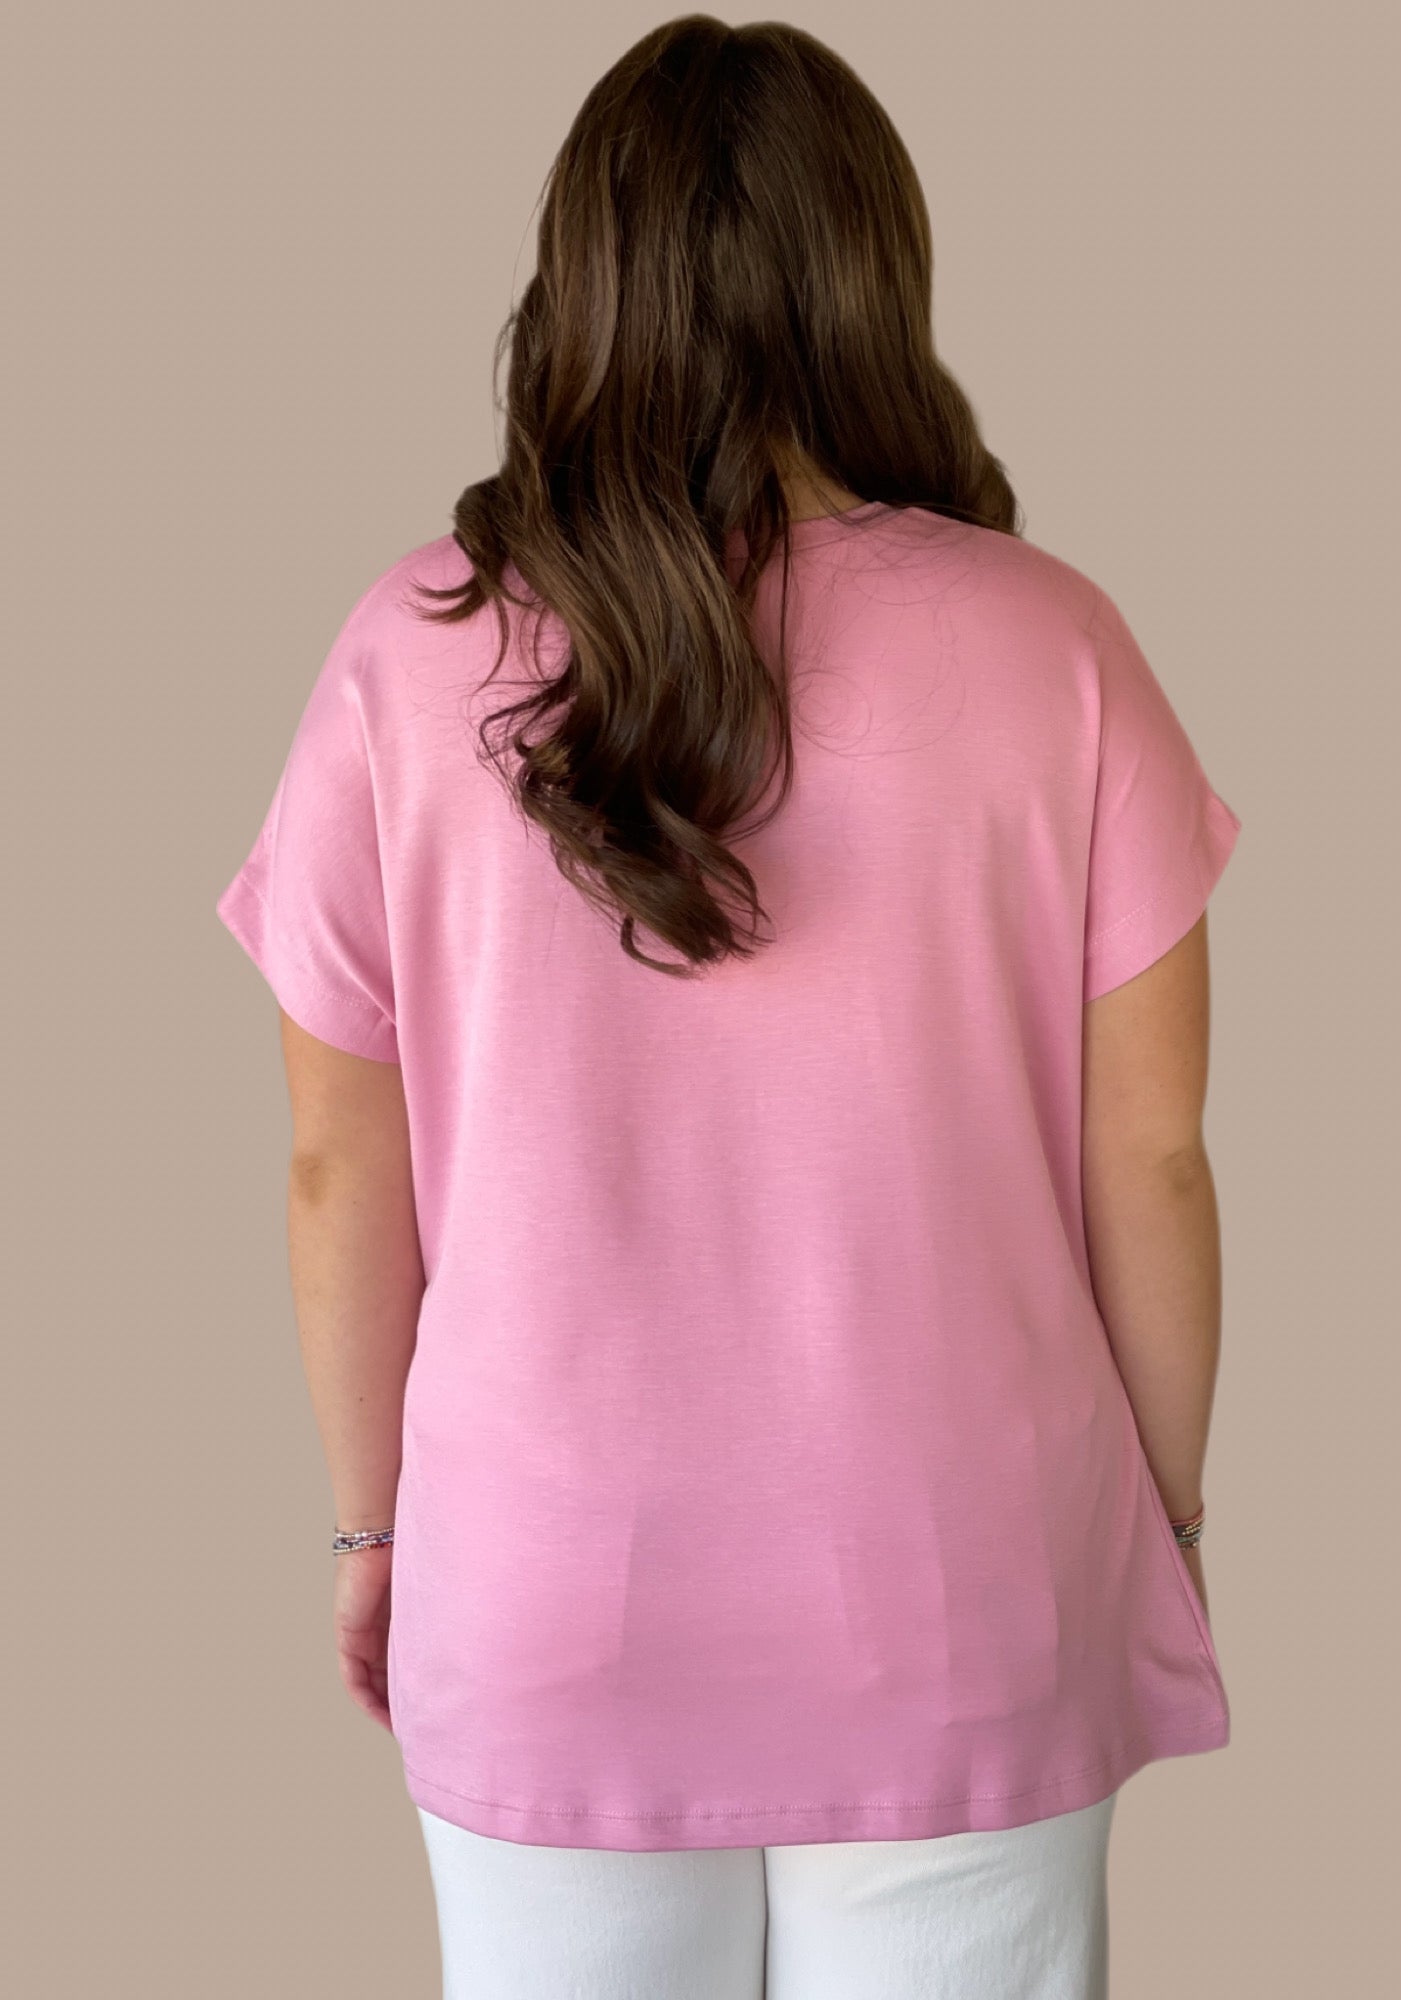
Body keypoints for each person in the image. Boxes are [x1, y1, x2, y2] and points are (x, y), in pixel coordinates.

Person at [215, 16, 1242, 1998]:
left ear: (580, 279)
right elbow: (1155, 1160)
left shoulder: (403, 656)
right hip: (967, 1576)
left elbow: (343, 1167)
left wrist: (369, 1532)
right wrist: (1168, 1511)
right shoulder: (1058, 646)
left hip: (544, 1584)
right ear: (874, 274)